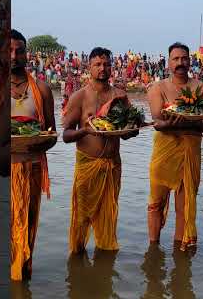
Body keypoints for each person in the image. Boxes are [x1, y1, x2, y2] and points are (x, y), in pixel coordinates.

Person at [62, 47, 139, 253]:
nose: (102, 68)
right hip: (87, 164)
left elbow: (130, 132)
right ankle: (77, 265)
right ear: (89, 68)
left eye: (106, 64)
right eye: (97, 64)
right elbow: (66, 135)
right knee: (81, 217)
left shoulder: (120, 96)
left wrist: (131, 129)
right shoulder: (79, 97)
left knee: (108, 216)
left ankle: (104, 267)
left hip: (112, 165)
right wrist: (86, 130)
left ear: (112, 67)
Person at [146, 43, 203, 252]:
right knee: (156, 203)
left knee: (184, 206)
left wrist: (182, 121)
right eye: (176, 59)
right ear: (168, 63)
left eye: (184, 58)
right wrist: (190, 121)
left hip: (190, 152)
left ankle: (179, 252)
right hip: (164, 152)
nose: (180, 63)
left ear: (190, 61)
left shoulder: (200, 88)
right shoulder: (158, 88)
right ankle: (153, 250)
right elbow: (159, 120)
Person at [9, 29, 57, 281]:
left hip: (32, 169)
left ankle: (23, 277)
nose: (14, 56)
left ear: (27, 54)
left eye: (19, 50)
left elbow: (51, 133)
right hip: (4, 171)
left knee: (27, 227)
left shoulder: (42, 89)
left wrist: (34, 143)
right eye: (9, 50)